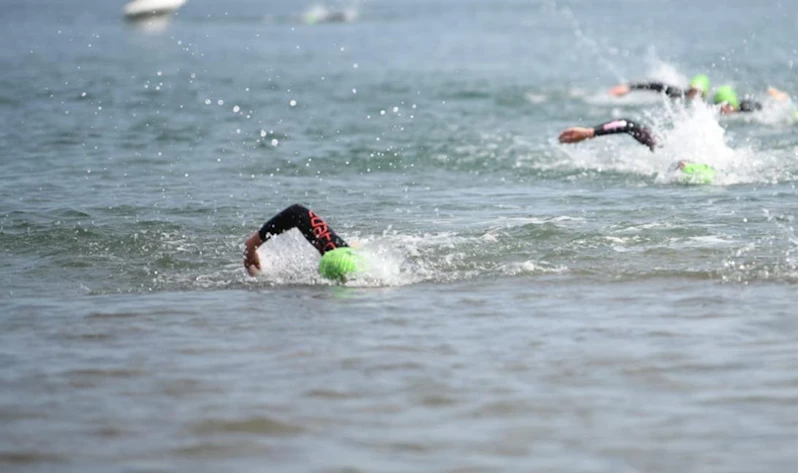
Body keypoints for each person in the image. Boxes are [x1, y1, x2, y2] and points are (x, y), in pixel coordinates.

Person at [557, 118, 715, 183]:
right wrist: (590, 132)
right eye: (681, 164)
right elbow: (628, 125)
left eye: (683, 165)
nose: (680, 165)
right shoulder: (663, 150)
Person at [243, 204, 362, 280]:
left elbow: (296, 212)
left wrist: (252, 245)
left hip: (342, 263)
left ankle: (252, 245)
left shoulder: (340, 259)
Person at [608, 74, 710, 100]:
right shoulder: (677, 93)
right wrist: (629, 87)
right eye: (692, 90)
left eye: (698, 92)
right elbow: (654, 85)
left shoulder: (705, 107)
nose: (694, 94)